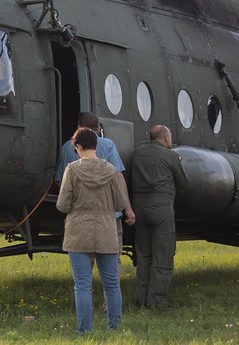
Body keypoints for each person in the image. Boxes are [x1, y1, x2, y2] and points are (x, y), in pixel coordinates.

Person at [56, 128, 135, 335]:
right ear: (96, 145)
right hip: (106, 231)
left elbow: (63, 205)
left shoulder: (72, 170)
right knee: (111, 285)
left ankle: (84, 332)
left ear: (78, 147)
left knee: (82, 285)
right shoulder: (110, 170)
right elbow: (120, 202)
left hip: (78, 232)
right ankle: (114, 328)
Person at [55, 112, 134, 259]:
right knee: (113, 261)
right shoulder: (108, 145)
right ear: (98, 128)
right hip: (108, 217)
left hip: (79, 218)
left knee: (83, 267)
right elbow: (118, 178)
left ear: (78, 127)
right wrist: (128, 208)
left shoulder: (67, 147)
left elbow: (59, 181)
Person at [131, 124, 189, 308]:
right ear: (165, 138)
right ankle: (155, 302)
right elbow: (183, 182)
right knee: (162, 256)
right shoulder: (170, 155)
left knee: (144, 256)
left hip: (139, 209)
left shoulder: (137, 153)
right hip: (161, 210)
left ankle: (142, 300)